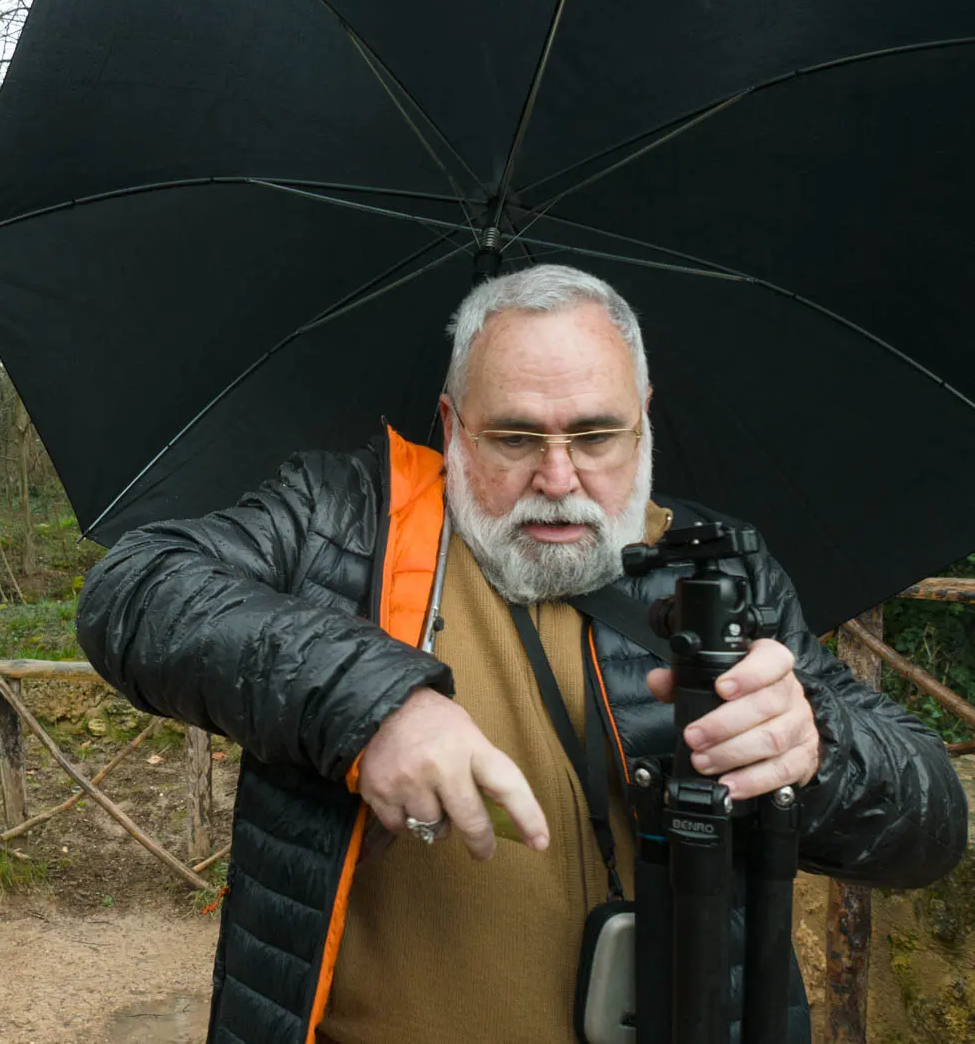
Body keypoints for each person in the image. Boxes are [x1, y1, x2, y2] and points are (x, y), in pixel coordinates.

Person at [75, 264, 968, 1044]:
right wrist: (373, 704)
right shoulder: (338, 521)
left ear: (643, 421)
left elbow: (929, 828)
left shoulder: (721, 570)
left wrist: (812, 756)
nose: (558, 478)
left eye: (595, 435)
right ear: (452, 424)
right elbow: (135, 590)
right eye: (514, 437)